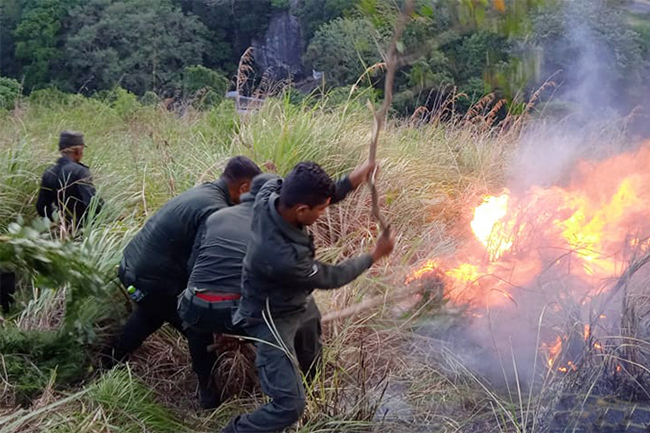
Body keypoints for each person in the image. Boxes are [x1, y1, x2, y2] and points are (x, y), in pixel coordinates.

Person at [222, 161, 395, 433]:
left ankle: (313, 390)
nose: (325, 212)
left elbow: (301, 192)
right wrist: (374, 255)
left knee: (311, 340)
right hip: (270, 317)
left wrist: (352, 179)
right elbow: (331, 277)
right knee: (289, 405)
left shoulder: (272, 192)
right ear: (301, 211)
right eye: (322, 209)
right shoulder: (283, 258)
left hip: (295, 301)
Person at [108, 156, 261, 364]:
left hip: (130, 268)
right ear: (244, 187)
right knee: (198, 326)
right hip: (151, 281)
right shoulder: (217, 212)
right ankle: (209, 393)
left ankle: (108, 362)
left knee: (151, 314)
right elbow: (201, 270)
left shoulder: (205, 192)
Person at [178, 172, 278, 409]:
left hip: (194, 305)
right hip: (235, 309)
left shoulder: (217, 216)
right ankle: (275, 394)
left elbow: (193, 267)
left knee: (197, 327)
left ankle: (207, 393)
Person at [36, 130, 101, 227]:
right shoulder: (80, 172)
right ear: (78, 151)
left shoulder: (49, 173)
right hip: (83, 230)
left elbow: (42, 207)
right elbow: (92, 203)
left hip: (61, 230)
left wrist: (59, 221)